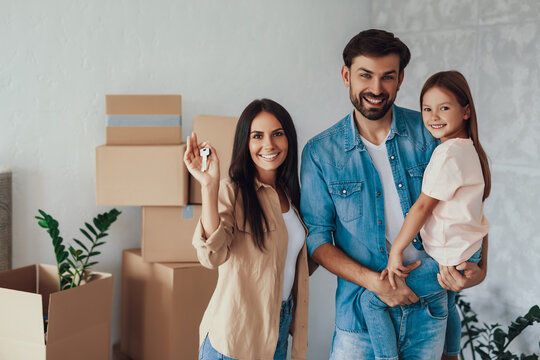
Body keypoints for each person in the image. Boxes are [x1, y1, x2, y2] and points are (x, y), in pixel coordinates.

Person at [300, 29, 488, 359]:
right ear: (346, 76)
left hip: (427, 310)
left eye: (387, 76)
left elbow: (469, 205)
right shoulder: (320, 152)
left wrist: (480, 269)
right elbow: (318, 240)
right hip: (359, 316)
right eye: (365, 75)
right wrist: (376, 283)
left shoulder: (431, 131)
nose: (376, 88)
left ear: (400, 79)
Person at [360, 71, 491, 359]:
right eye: (427, 109)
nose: (433, 116)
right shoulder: (468, 149)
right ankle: (452, 354)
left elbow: (421, 206)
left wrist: (397, 250)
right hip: (465, 255)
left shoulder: (447, 155)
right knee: (449, 299)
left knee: (370, 301)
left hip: (450, 260)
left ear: (466, 111)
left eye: (444, 107)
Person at [185, 98, 311, 360]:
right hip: (236, 336)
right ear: (246, 142)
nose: (269, 144)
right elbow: (211, 256)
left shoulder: (291, 195)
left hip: (278, 328)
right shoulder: (232, 191)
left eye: (278, 134)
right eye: (258, 136)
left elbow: (289, 262)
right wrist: (208, 187)